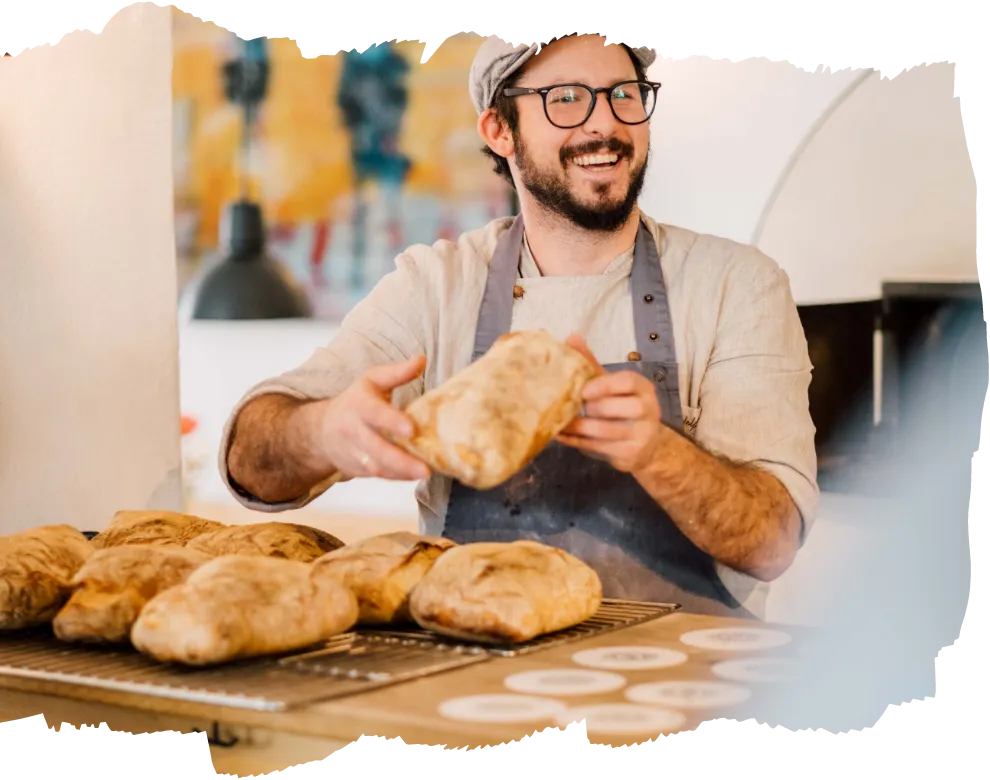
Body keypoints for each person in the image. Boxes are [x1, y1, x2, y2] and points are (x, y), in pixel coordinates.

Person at [220, 33, 819, 620]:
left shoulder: (737, 285)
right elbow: (251, 461)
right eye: (565, 98)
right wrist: (323, 432)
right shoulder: (435, 285)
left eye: (624, 94)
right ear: (499, 130)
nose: (603, 124)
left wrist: (660, 453)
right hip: (477, 681)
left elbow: (772, 544)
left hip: (681, 694)